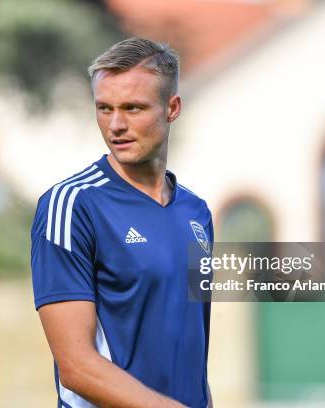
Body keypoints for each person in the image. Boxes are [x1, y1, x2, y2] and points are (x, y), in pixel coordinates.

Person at [31, 37, 214, 408]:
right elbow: (77, 367)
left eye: (132, 108)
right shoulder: (71, 206)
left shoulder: (197, 214)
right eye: (104, 108)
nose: (115, 125)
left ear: (172, 107)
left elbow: (193, 356)